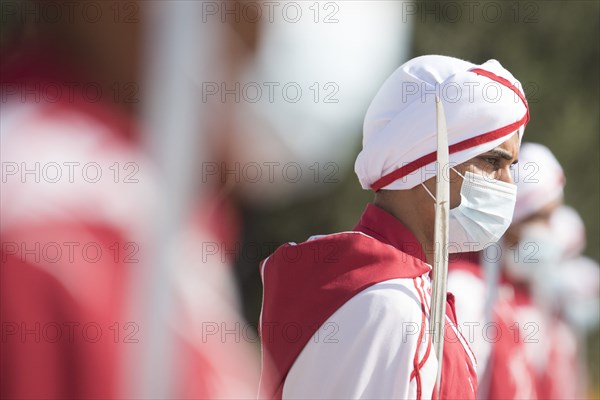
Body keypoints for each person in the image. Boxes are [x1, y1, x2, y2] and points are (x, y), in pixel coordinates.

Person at [258, 55, 529, 399]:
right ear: (425, 161)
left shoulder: (385, 286)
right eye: (492, 161)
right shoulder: (391, 305)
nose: (508, 183)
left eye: (511, 166)